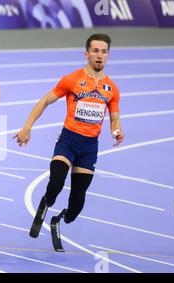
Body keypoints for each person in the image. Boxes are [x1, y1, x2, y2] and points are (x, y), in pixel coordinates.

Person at [13, 33, 124, 250]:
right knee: (55, 184)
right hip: (68, 141)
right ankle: (45, 205)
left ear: (108, 55)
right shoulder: (71, 80)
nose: (99, 56)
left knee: (76, 206)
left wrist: (116, 130)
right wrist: (27, 127)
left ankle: (58, 220)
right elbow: (45, 101)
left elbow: (114, 117)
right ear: (86, 54)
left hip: (89, 148)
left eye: (104, 52)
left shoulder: (112, 89)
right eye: (95, 51)